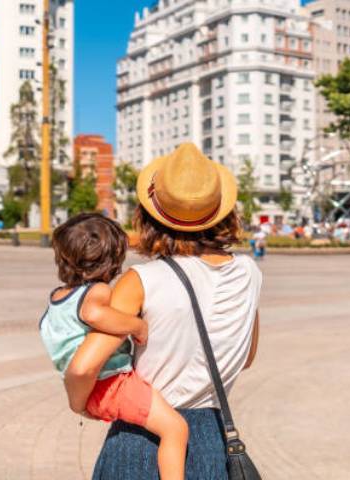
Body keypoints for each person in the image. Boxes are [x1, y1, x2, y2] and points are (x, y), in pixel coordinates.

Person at [65, 143, 262, 479]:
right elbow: (247, 357)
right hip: (212, 438)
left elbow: (83, 367)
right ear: (222, 211)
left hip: (141, 441)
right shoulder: (248, 273)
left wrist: (80, 403)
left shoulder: (141, 280)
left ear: (151, 214)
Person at [40, 214, 189, 480]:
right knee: (175, 429)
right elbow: (94, 315)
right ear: (113, 260)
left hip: (90, 392)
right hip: (112, 385)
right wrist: (136, 326)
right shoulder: (97, 291)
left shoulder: (57, 297)